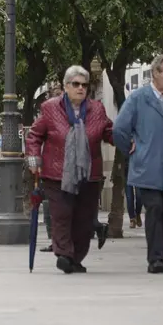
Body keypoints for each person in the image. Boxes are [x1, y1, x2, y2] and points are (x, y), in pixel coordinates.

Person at [26, 65, 114, 274]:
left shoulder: (97, 109)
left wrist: (127, 139)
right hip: (57, 174)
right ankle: (64, 254)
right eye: (75, 84)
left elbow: (108, 131)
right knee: (62, 215)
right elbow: (35, 135)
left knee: (84, 219)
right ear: (66, 86)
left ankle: (76, 257)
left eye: (84, 85)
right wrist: (33, 157)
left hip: (89, 174)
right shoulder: (50, 108)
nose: (81, 88)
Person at [113, 54, 163, 274]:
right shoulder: (138, 99)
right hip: (148, 168)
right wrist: (130, 148)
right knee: (154, 208)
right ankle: (156, 259)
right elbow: (119, 129)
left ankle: (159, 254)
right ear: (155, 74)